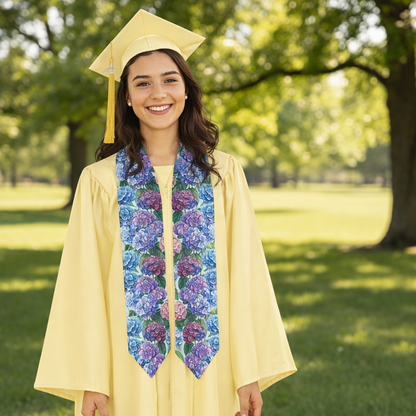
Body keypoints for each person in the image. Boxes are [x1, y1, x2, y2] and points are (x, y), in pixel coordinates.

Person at [34, 9, 297, 416]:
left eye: (170, 80)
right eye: (142, 83)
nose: (158, 93)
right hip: (127, 367)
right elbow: (82, 285)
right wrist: (91, 382)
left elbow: (246, 274)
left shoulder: (222, 173)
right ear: (126, 96)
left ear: (187, 89)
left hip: (212, 362)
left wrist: (249, 370)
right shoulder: (100, 181)